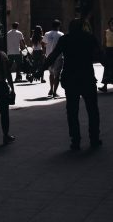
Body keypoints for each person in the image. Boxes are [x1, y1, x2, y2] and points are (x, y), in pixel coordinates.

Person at [42, 11, 102, 150]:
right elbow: (99, 55)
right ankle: (94, 138)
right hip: (87, 77)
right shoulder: (89, 38)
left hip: (71, 78)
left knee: (72, 111)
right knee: (92, 110)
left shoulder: (66, 39)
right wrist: (108, 64)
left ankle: (75, 140)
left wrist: (42, 68)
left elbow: (53, 55)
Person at [42, 19, 64, 98]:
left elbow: (43, 43)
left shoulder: (47, 34)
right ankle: (55, 92)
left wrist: (45, 52)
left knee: (51, 74)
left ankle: (51, 89)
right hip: (58, 57)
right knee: (57, 75)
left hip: (49, 57)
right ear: (59, 26)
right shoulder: (61, 34)